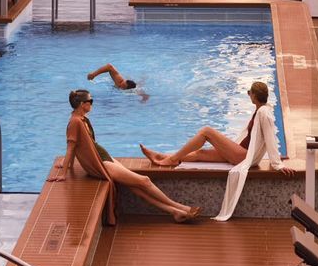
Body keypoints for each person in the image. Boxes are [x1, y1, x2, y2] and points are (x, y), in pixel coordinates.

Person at [53, 87, 201, 223]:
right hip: (101, 163)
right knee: (145, 181)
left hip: (104, 157)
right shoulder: (75, 122)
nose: (92, 103)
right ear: (81, 104)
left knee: (134, 185)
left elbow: (77, 146)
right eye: (90, 101)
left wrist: (68, 163)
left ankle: (174, 211)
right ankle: (181, 207)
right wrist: (64, 173)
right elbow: (71, 147)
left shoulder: (82, 119)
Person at [140, 80, 281, 170]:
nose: (248, 95)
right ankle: (162, 157)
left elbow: (270, 136)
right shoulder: (261, 110)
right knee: (200, 153)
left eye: (249, 93)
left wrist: (277, 163)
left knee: (206, 131)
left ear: (255, 96)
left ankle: (171, 159)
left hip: (242, 156)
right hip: (240, 152)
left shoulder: (263, 113)